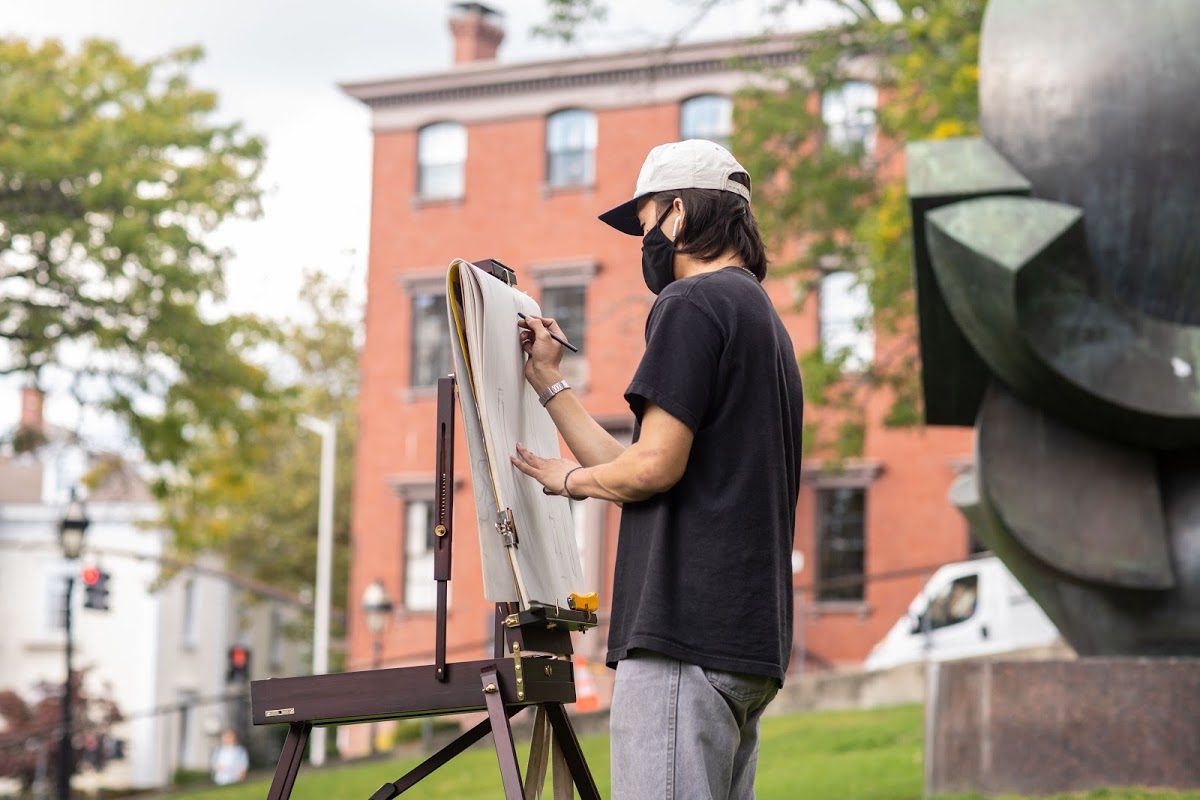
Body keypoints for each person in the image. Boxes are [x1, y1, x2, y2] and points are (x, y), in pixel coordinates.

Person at [512, 139, 805, 799]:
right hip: (742, 650)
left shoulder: (691, 304)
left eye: (644, 225)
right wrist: (552, 388)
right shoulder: (761, 318)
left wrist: (566, 482)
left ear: (677, 214)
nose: (642, 243)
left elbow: (651, 471)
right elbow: (643, 466)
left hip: (682, 638)